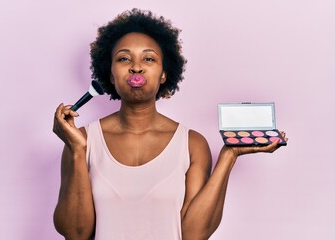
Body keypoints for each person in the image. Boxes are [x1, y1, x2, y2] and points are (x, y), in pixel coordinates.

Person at [52, 8, 287, 240]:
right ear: (110, 75)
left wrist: (229, 155)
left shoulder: (191, 144)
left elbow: (194, 234)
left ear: (164, 74)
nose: (136, 67)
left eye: (149, 58)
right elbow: (75, 234)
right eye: (124, 58)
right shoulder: (81, 141)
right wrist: (77, 151)